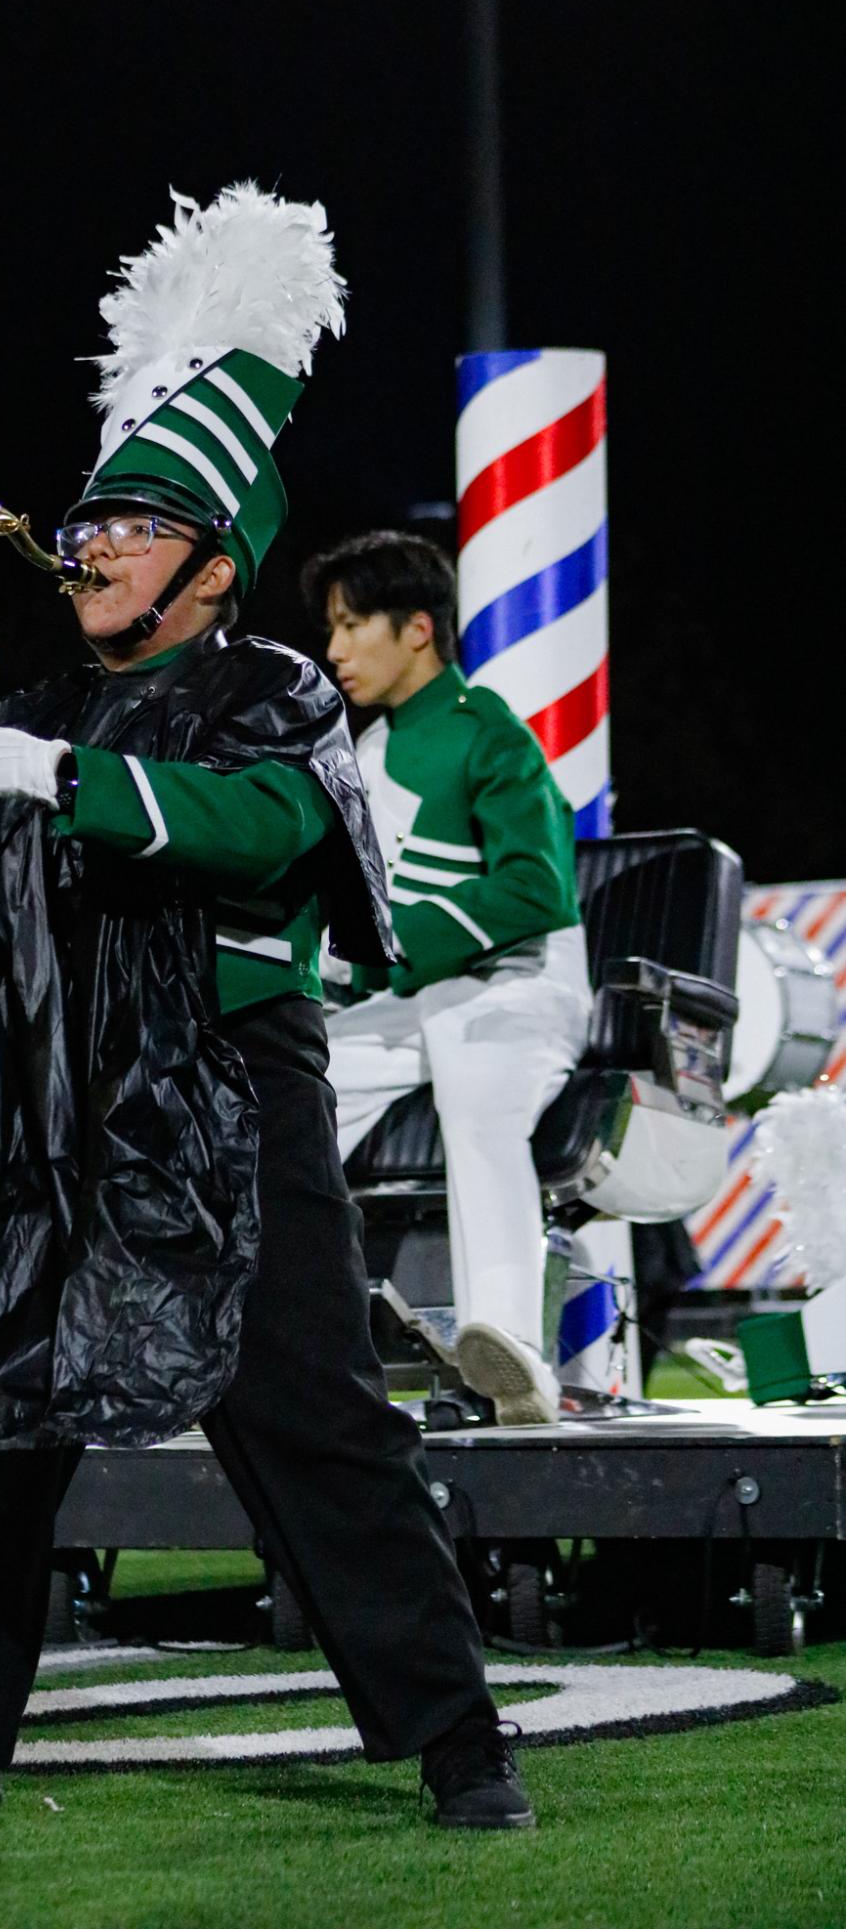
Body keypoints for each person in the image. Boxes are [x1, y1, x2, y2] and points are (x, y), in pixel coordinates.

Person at [0, 185, 532, 1830]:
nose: (90, 542)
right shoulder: (33, 699)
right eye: (88, 517)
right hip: (48, 1117)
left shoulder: (270, 687)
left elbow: (266, 831)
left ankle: (458, 1739)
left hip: (217, 1112)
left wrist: (65, 777)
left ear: (211, 561)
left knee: (315, 1432)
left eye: (131, 521)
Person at [302, 531, 592, 1425]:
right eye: (331, 628)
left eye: (353, 626)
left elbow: (535, 888)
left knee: (477, 1096)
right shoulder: (359, 750)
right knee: (283, 1094)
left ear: (418, 628)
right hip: (410, 998)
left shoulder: (488, 730)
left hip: (519, 984)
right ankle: (248, 1343)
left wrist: (379, 949)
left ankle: (510, 1357)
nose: (334, 650)